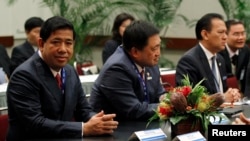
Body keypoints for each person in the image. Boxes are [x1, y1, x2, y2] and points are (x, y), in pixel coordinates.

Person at [6, 16, 118, 141]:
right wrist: (83, 128)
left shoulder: (69, 71)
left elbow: (83, 109)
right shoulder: (24, 75)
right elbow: (35, 123)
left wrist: (97, 120)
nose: (63, 49)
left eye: (68, 43)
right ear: (41, 44)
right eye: (56, 42)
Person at [89, 20, 165, 121]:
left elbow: (159, 94)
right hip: (115, 130)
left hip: (142, 126)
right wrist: (169, 107)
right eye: (154, 48)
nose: (158, 53)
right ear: (135, 52)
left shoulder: (150, 63)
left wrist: (170, 99)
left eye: (159, 46)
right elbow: (134, 110)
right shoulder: (116, 68)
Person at [175, 13, 241, 103]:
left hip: (225, 112)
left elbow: (223, 91)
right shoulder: (189, 61)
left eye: (226, 32)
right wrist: (222, 99)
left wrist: (231, 94)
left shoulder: (220, 59)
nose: (225, 37)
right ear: (205, 34)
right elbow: (189, 100)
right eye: (221, 32)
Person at [218, 19, 250, 94]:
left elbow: (245, 76)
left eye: (243, 33)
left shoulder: (245, 50)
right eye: (236, 34)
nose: (241, 37)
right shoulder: (218, 52)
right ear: (226, 35)